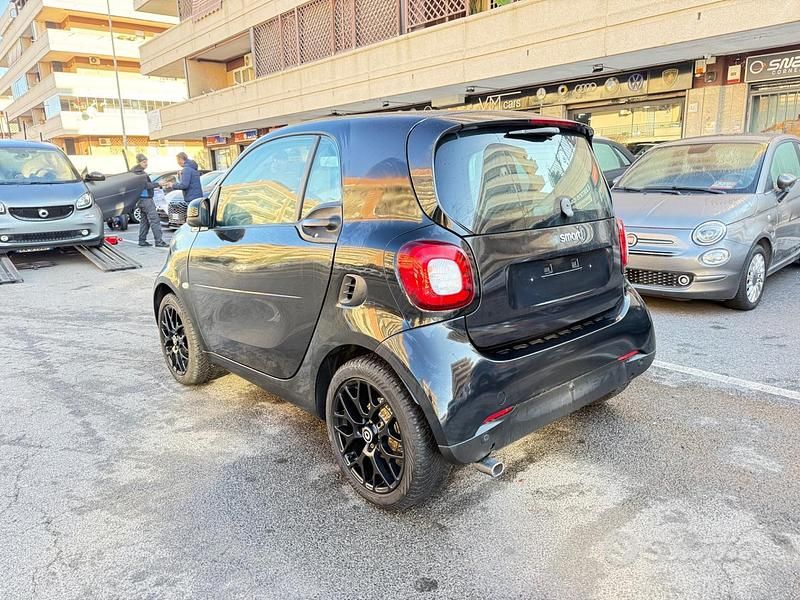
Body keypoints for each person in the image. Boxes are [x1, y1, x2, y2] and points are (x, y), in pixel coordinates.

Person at [131, 154, 168, 248]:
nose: (146, 163)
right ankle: (159, 241)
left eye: (146, 161)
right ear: (138, 162)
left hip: (140, 199)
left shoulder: (135, 172)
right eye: (144, 162)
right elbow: (146, 185)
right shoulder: (140, 173)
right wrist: (158, 184)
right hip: (146, 199)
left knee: (144, 221)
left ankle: (142, 240)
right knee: (154, 220)